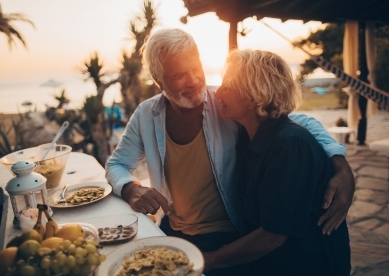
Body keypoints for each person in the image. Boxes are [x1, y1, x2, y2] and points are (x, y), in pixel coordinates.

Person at [105, 28, 354, 275]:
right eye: (179, 75)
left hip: (232, 235)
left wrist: (340, 163)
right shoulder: (147, 115)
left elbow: (293, 121)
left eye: (196, 68)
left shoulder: (227, 101)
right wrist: (131, 188)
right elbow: (116, 164)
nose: (193, 81)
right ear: (159, 81)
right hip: (175, 230)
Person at [204, 49, 351, 275]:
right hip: (275, 260)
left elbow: (273, 236)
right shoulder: (250, 135)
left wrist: (211, 260)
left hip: (305, 265)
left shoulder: (289, 145)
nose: (218, 93)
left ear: (253, 95)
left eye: (227, 86)